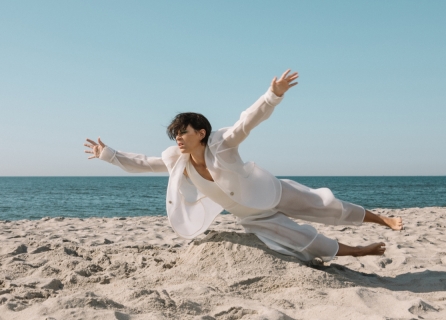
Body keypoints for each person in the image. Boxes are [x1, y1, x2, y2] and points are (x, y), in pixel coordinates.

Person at [84, 69, 403, 262]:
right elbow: (142, 163)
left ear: (201, 132)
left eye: (183, 132)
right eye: (175, 134)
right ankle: (360, 251)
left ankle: (382, 219)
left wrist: (271, 96)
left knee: (326, 205)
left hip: (273, 192)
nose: (178, 138)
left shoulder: (221, 143)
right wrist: (108, 154)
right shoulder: (175, 160)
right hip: (252, 217)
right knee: (304, 241)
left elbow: (246, 123)